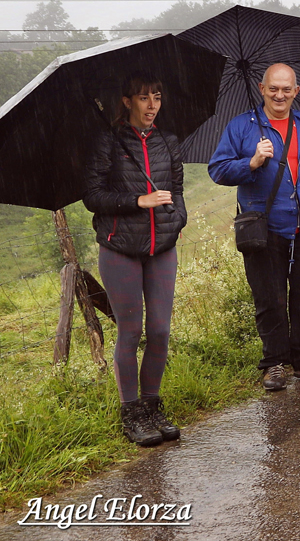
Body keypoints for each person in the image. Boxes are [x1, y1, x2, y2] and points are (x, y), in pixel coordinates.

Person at [209, 63, 300, 391]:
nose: (280, 94)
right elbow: (218, 170)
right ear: (262, 88)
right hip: (264, 229)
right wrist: (250, 162)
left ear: (296, 92)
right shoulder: (242, 127)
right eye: (273, 88)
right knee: (270, 298)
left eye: (286, 89)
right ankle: (274, 363)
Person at [83, 72, 187, 446]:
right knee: (131, 332)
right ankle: (131, 413)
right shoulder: (107, 142)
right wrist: (137, 201)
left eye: (157, 97)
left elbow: (177, 192)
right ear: (127, 101)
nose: (152, 105)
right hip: (120, 249)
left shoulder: (168, 142)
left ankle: (152, 405)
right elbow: (92, 196)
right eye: (144, 98)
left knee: (160, 331)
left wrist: (175, 223)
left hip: (162, 249)